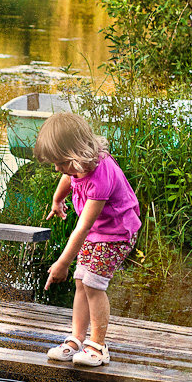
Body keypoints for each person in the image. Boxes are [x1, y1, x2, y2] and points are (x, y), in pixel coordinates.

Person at [33, 112, 140, 367]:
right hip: (98, 232)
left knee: (93, 283)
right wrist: (57, 199)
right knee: (81, 281)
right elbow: (68, 177)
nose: (57, 168)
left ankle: (98, 346)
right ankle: (77, 339)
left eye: (60, 162)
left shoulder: (101, 176)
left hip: (117, 233)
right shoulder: (77, 165)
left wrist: (62, 263)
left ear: (76, 154)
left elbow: (81, 229)